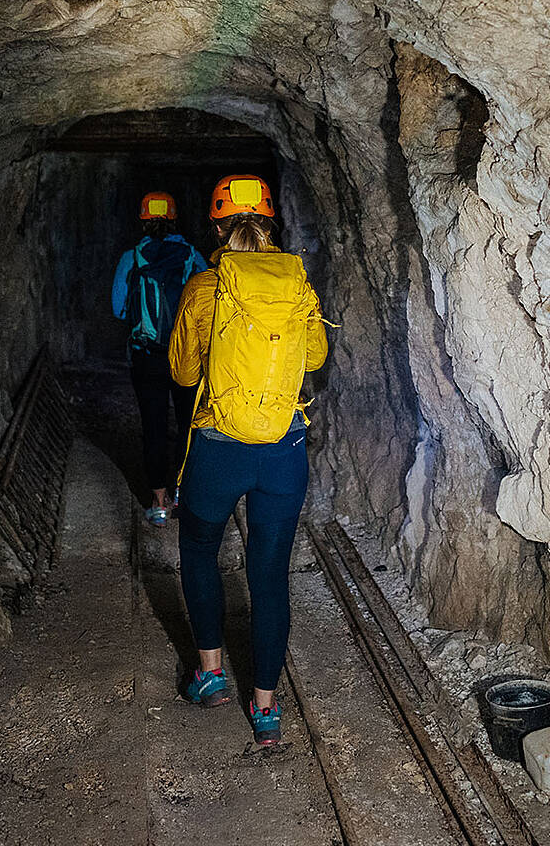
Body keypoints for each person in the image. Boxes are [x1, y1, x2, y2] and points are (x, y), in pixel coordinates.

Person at [168, 174, 329, 746]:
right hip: (283, 453)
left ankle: (210, 673)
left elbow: (184, 374)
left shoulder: (203, 287)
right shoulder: (295, 283)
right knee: (269, 576)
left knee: (200, 551)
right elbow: (314, 355)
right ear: (271, 224)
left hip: (219, 451)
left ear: (215, 227)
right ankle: (265, 710)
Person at [111, 190, 207, 526]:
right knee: (188, 424)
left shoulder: (131, 258)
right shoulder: (192, 256)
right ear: (175, 217)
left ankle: (159, 502)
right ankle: (185, 491)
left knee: (153, 427)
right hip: (185, 355)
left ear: (143, 220)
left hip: (147, 357)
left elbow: (119, 308)